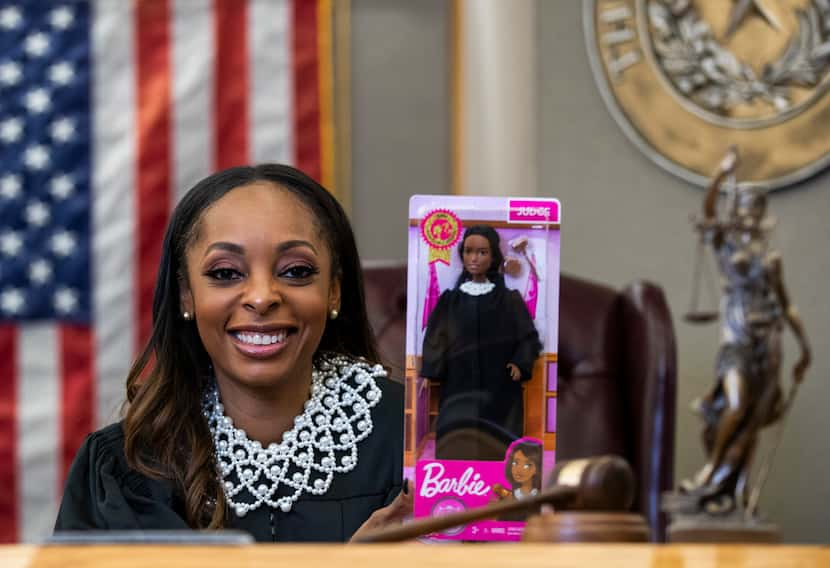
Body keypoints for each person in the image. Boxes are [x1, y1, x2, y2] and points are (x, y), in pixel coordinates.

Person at [54, 164, 411, 541]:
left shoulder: (417, 443)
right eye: (225, 273)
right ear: (186, 296)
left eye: (295, 271)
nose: (261, 297)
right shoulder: (123, 469)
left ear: (334, 292)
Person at [680, 148, 811, 514]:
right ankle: (710, 472)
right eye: (746, 207)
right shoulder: (726, 246)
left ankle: (736, 494)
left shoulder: (771, 257)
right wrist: (721, 175)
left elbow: (787, 304)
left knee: (753, 421)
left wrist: (805, 349)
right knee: (735, 408)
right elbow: (709, 211)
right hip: (736, 339)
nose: (751, 214)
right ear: (737, 210)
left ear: (763, 214)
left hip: (768, 342)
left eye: (757, 209)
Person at [421, 225, 541, 461]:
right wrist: (431, 369)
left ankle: (498, 478)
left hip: (499, 382)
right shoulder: (451, 300)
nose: (474, 258)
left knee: (498, 436)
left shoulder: (509, 300)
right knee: (457, 433)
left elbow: (528, 337)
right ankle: (456, 476)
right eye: (468, 251)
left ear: (493, 256)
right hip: (459, 382)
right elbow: (436, 336)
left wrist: (520, 362)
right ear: (462, 254)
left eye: (482, 252)